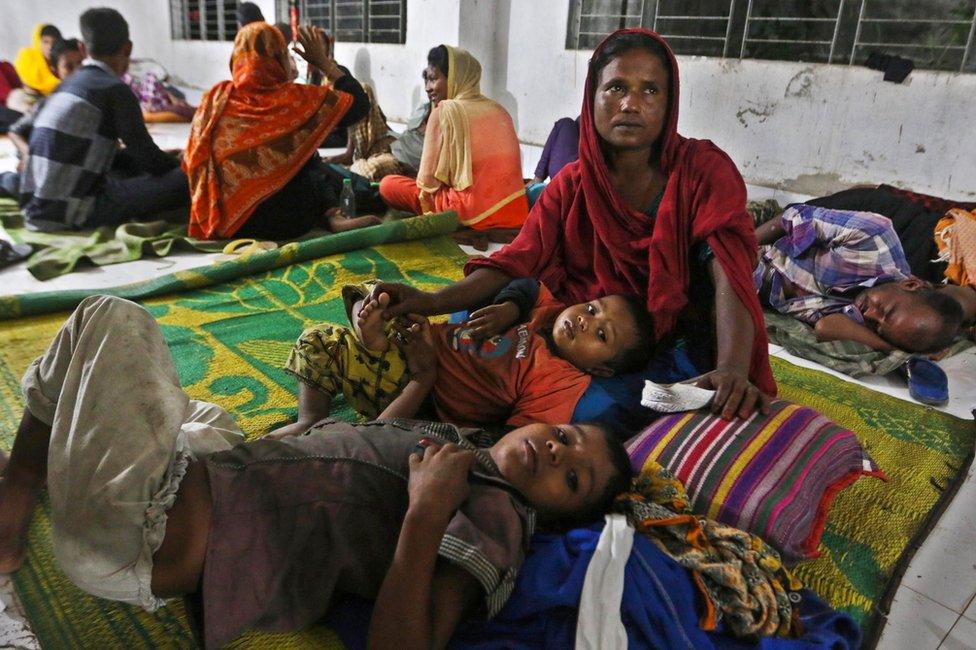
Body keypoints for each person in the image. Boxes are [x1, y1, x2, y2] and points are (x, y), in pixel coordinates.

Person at [0, 294, 633, 649]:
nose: (557, 453)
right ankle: (69, 456)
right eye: (566, 439)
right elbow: (374, 439)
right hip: (196, 478)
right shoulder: (467, 448)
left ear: (551, 516)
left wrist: (424, 514)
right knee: (206, 414)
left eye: (570, 478)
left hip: (142, 529)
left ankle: (22, 486)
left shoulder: (498, 517)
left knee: (110, 319)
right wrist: (419, 381)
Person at [372, 29, 775, 420]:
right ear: (592, 96)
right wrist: (429, 300)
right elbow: (516, 259)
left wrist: (733, 369)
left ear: (670, 102)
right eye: (616, 87)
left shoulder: (702, 173)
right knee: (470, 321)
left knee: (600, 410)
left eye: (650, 90)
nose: (631, 104)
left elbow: (730, 273)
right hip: (583, 323)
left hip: (673, 337)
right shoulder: (572, 184)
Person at [271, 279, 656, 438]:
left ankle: (370, 336)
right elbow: (526, 285)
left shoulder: (560, 381)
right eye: (591, 309)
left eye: (601, 335)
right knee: (331, 329)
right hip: (415, 341)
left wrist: (426, 377)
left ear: (601, 368)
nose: (585, 323)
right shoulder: (548, 311)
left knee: (358, 333)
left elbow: (512, 438)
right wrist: (509, 306)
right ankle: (311, 416)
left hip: (421, 395)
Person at [184, 22, 381, 240]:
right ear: (277, 58)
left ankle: (334, 213)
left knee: (308, 158)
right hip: (289, 220)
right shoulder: (294, 99)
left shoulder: (216, 97)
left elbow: (194, 159)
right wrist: (324, 62)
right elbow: (360, 106)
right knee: (314, 164)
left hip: (229, 222)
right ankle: (333, 214)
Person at [17, 10, 189, 232]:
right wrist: (183, 164)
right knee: (188, 178)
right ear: (128, 48)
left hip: (35, 207)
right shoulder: (115, 90)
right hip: (71, 212)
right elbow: (150, 161)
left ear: (82, 48)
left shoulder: (66, 85)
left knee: (129, 165)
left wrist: (163, 157)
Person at [755, 203, 964, 353]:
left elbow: (826, 327)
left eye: (879, 328)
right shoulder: (874, 237)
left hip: (750, 280)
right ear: (910, 284)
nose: (870, 316)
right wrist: (740, 248)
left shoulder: (878, 323)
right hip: (755, 245)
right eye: (885, 311)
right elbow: (790, 218)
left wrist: (888, 346)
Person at [378, 45, 529, 230]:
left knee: (388, 185)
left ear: (455, 79)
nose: (428, 88)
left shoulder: (445, 111)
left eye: (433, 79)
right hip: (513, 209)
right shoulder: (500, 110)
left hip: (468, 212)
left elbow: (427, 184)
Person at [325, 46, 444, 181]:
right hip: (390, 142)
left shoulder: (450, 117)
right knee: (364, 90)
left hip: (399, 160)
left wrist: (415, 172)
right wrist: (380, 123)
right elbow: (407, 135)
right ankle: (352, 157)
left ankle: (354, 165)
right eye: (426, 80)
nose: (427, 87)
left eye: (433, 80)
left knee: (369, 171)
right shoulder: (423, 107)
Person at [0, 39, 84, 199]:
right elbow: (15, 131)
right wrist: (27, 154)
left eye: (80, 63)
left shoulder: (96, 95)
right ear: (55, 70)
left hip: (74, 171)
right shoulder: (52, 101)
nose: (77, 71)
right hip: (44, 169)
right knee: (17, 184)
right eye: (68, 67)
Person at [10, 24, 63, 111]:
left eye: (54, 42)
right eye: (45, 42)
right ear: (38, 42)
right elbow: (31, 85)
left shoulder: (63, 60)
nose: (50, 47)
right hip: (31, 100)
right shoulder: (28, 57)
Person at [528, 116, 580, 185]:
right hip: (571, 177)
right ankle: (538, 179)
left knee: (565, 123)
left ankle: (537, 179)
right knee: (567, 124)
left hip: (572, 179)